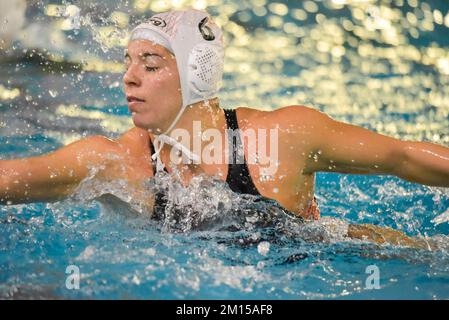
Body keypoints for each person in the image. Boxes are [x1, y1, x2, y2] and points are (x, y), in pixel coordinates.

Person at [0, 9, 448, 248]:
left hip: (331, 257)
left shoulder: (282, 139)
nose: (129, 77)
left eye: (150, 64)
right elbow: (11, 178)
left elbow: (403, 156)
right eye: (127, 63)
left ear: (198, 72)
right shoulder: (118, 162)